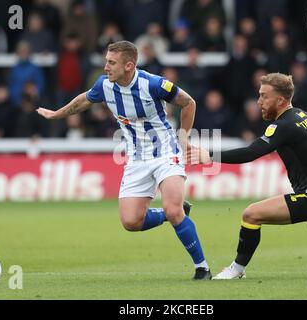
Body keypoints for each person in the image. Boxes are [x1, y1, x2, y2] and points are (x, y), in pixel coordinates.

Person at [37, 40, 211, 280]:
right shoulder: (104, 85)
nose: (105, 67)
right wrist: (57, 114)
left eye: (111, 62)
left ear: (129, 66)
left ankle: (202, 267)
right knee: (131, 221)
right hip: (136, 159)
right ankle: (177, 212)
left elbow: (188, 102)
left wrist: (184, 139)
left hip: (165, 153)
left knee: (174, 210)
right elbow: (83, 100)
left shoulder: (154, 84)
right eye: (106, 61)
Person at [188, 72, 307, 279]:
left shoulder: (283, 126)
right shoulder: (304, 116)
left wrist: (209, 155)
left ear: (280, 100)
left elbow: (252, 152)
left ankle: (237, 269)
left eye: (264, 96)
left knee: (251, 214)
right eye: (259, 95)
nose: (259, 101)